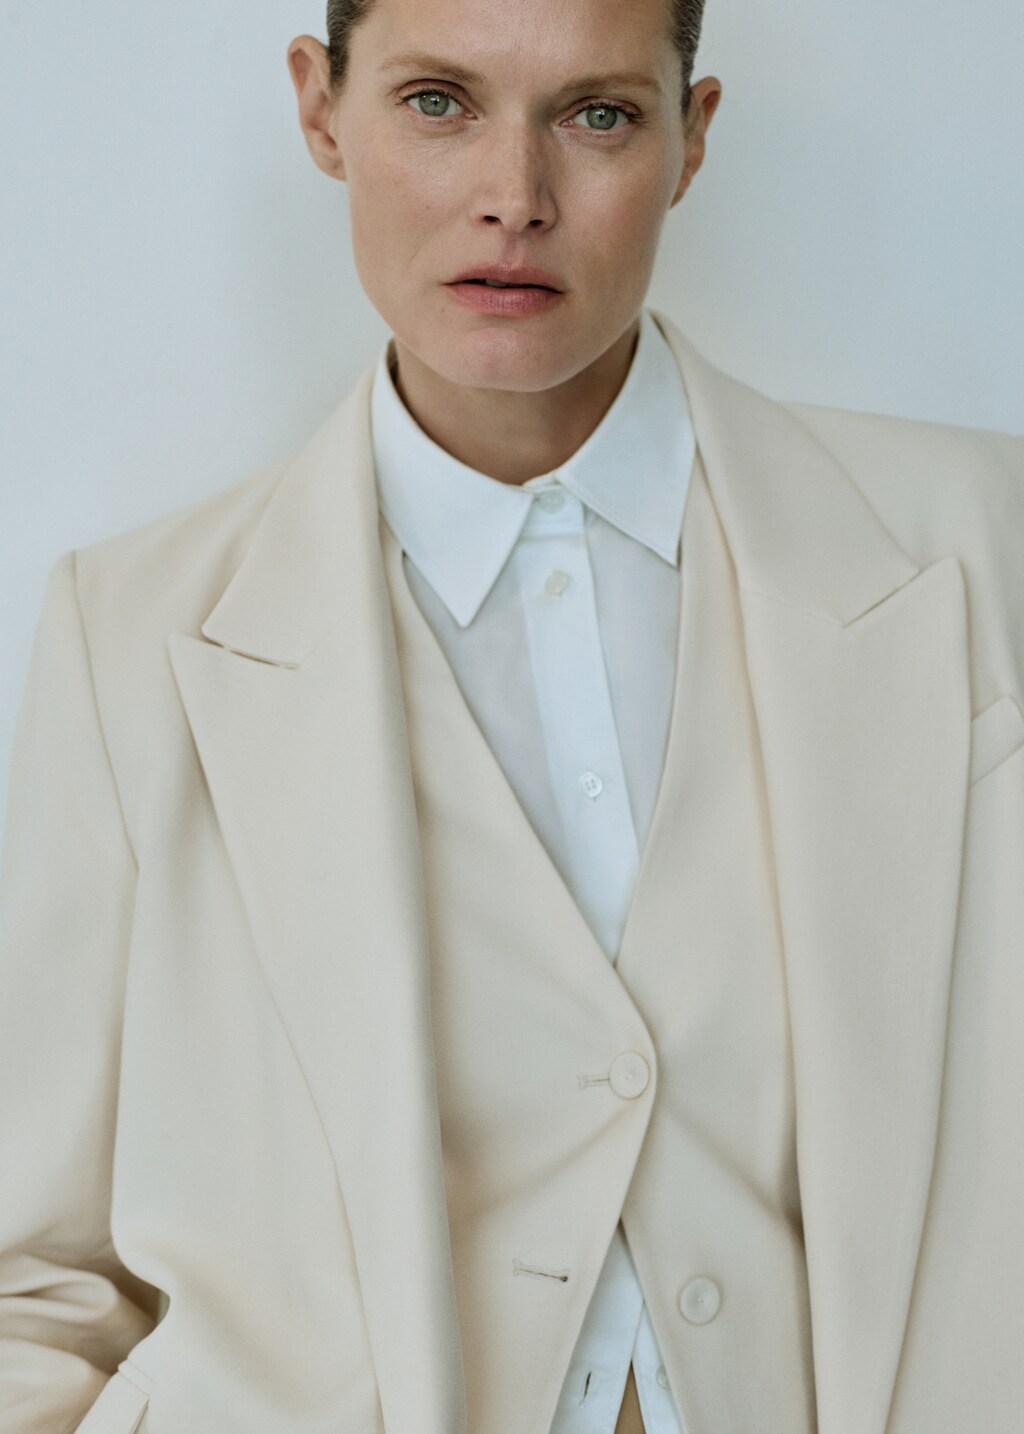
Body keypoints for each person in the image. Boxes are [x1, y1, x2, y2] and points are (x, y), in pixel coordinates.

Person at [1, 0, 1022, 1429]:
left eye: (598, 115)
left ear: (690, 139)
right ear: (320, 108)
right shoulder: (128, 638)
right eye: (438, 102)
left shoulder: (984, 552)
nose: (514, 197)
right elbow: (37, 1281)